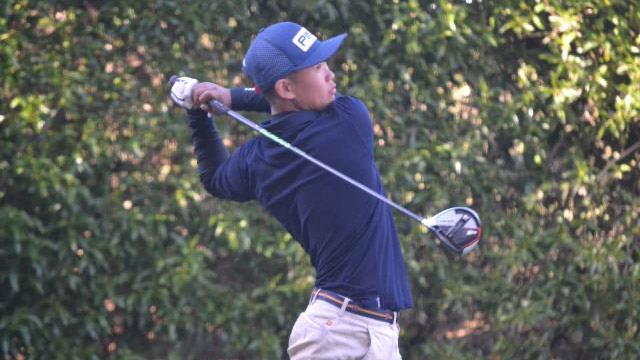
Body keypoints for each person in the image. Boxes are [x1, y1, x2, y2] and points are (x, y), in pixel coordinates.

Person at [170, 21, 413, 359]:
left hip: (357, 330)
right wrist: (232, 97)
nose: (331, 74)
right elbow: (287, 104)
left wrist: (199, 114)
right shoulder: (349, 122)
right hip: (338, 332)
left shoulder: (255, 159)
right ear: (285, 87)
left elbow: (215, 178)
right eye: (317, 67)